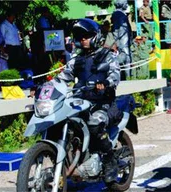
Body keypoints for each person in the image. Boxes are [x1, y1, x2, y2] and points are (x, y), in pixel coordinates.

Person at [57, 18, 121, 183]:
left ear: (95, 36)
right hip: (81, 101)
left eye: (86, 36)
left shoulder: (107, 55)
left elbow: (115, 74)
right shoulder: (76, 59)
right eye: (80, 36)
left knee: (94, 123)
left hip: (103, 103)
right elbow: (62, 78)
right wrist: (44, 86)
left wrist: (106, 83)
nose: (83, 39)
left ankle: (110, 161)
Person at [105, 0, 132, 80]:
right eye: (126, 3)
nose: (127, 5)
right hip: (123, 40)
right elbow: (121, 30)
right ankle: (127, 78)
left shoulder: (119, 14)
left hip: (122, 39)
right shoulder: (119, 14)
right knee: (126, 58)